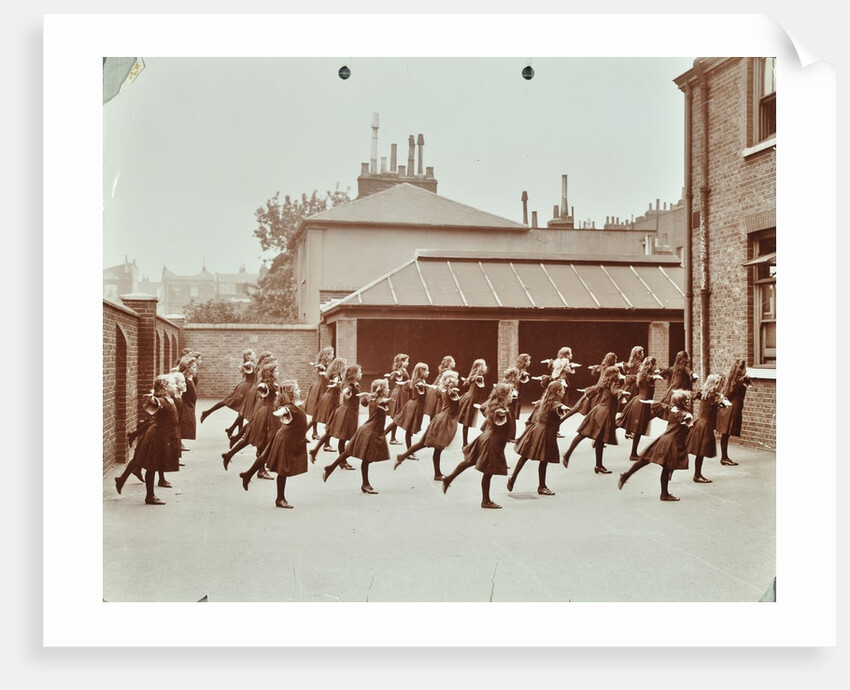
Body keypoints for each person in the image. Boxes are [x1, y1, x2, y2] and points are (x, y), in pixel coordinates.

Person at [442, 383, 513, 509]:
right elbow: (501, 422)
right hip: (492, 442)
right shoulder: (501, 411)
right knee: (488, 471)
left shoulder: (493, 405)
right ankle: (485, 500)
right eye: (510, 394)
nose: (512, 395)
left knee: (470, 461)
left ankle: (449, 478)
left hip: (485, 438)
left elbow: (484, 407)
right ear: (503, 397)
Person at [115, 374, 180, 505]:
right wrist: (152, 399)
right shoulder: (162, 400)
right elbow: (155, 402)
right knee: (152, 465)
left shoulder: (170, 399)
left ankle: (122, 480)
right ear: (164, 387)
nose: (175, 386)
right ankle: (150, 496)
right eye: (172, 384)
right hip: (157, 437)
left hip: (164, 436)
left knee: (145, 460)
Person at [618, 390, 694, 501]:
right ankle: (664, 494)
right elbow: (687, 420)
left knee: (645, 459)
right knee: (666, 468)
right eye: (686, 400)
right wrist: (689, 419)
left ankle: (626, 474)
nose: (688, 401)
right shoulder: (682, 413)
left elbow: (663, 406)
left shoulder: (672, 409)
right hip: (672, 442)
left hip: (663, 439)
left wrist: (651, 402)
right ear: (681, 402)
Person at [240, 381, 308, 507]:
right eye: (297, 389)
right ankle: (280, 499)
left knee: (265, 455)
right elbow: (283, 411)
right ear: (290, 393)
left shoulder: (294, 405)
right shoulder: (289, 407)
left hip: (286, 436)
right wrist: (282, 411)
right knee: (283, 469)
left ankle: (247, 474)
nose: (299, 391)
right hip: (286, 439)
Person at [322, 379, 392, 494]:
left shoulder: (373, 398)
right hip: (370, 432)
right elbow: (382, 402)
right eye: (387, 387)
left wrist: (371, 395)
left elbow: (365, 402)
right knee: (365, 458)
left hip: (368, 429)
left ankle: (330, 467)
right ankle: (365, 484)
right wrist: (380, 397)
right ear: (380, 389)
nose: (389, 389)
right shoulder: (379, 401)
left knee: (349, 451)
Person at [561, 365, 630, 474]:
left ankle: (598, 465)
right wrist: (622, 393)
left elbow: (594, 390)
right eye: (617, 373)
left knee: (594, 437)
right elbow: (614, 391)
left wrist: (587, 392)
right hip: (604, 413)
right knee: (589, 436)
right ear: (614, 375)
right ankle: (569, 454)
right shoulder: (613, 384)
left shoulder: (604, 383)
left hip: (599, 411)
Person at [394, 370, 461, 480]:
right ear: (451, 381)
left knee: (425, 444)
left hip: (441, 419)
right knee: (435, 447)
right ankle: (437, 474)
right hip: (445, 421)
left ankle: (402, 457)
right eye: (456, 379)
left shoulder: (443, 390)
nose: (458, 380)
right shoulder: (450, 391)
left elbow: (439, 393)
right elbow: (451, 396)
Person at [508, 379, 570, 495]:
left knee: (525, 456)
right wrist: (563, 408)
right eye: (562, 390)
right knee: (544, 459)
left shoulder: (545, 400)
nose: (563, 392)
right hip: (545, 432)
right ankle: (542, 486)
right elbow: (557, 406)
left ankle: (513, 477)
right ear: (557, 392)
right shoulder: (554, 402)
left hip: (537, 430)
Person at [223, 362, 280, 476]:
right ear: (271, 374)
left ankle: (230, 454)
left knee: (255, 439)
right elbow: (263, 388)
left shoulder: (272, 384)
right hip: (267, 415)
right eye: (276, 371)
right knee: (262, 441)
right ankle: (260, 470)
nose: (278, 373)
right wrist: (263, 386)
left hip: (267, 413)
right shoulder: (267, 385)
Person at [309, 363, 362, 468]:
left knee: (332, 432)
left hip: (344, 411)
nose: (362, 374)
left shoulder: (352, 383)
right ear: (354, 374)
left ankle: (315, 451)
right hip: (347, 413)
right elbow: (347, 390)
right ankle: (342, 462)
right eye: (360, 372)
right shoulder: (350, 384)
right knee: (342, 437)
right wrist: (346, 392)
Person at [686, 373, 732, 483]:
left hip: (699, 423)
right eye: (720, 384)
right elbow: (721, 402)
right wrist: (723, 402)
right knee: (700, 452)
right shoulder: (713, 396)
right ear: (715, 384)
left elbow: (693, 396)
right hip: (705, 426)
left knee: (694, 451)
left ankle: (674, 471)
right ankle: (697, 475)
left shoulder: (704, 393)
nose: (721, 386)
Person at [199, 349, 257, 436]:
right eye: (254, 354)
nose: (255, 355)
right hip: (245, 387)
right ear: (248, 356)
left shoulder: (250, 364)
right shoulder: (248, 364)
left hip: (247, 387)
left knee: (241, 408)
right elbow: (251, 370)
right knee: (228, 402)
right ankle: (207, 412)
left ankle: (237, 431)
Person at [616, 356, 663, 460]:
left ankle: (633, 453)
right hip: (642, 404)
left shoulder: (641, 374)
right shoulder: (647, 376)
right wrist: (654, 377)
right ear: (651, 365)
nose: (656, 367)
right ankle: (633, 454)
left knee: (636, 428)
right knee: (637, 429)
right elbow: (650, 378)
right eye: (654, 365)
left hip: (639, 401)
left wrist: (655, 375)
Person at [383, 362, 430, 456]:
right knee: (407, 427)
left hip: (414, 405)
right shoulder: (418, 382)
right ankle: (409, 452)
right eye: (427, 370)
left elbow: (407, 388)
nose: (428, 372)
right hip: (414, 406)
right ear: (421, 372)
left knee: (397, 422)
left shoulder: (418, 381)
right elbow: (416, 389)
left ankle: (381, 436)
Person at [715, 358, 753, 466]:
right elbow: (729, 394)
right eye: (744, 367)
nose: (745, 369)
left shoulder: (736, 379)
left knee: (725, 434)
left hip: (732, 408)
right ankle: (724, 457)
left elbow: (749, 385)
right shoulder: (736, 381)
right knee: (726, 434)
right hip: (731, 409)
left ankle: (724, 457)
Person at [311, 356, 347, 448]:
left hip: (328, 397)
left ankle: (325, 444)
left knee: (330, 422)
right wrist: (336, 383)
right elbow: (335, 381)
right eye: (344, 365)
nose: (346, 366)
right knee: (331, 422)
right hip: (331, 399)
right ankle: (326, 445)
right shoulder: (336, 375)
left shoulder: (334, 373)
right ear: (340, 366)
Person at [304, 346, 335, 440]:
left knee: (317, 413)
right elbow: (325, 375)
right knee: (317, 412)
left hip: (320, 387)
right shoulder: (322, 365)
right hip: (320, 388)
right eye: (332, 354)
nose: (333, 356)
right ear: (327, 355)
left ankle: (314, 433)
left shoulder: (326, 364)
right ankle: (306, 433)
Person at [457, 358, 489, 446]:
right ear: (479, 367)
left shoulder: (474, 376)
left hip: (469, 397)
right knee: (466, 421)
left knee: (466, 422)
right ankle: (465, 443)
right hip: (471, 399)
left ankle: (465, 442)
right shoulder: (479, 377)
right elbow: (481, 386)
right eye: (484, 365)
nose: (486, 367)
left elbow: (465, 384)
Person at [659, 350, 699, 418]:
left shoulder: (675, 368)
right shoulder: (684, 368)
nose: (689, 357)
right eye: (688, 356)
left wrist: (660, 372)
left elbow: (667, 370)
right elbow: (689, 371)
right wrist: (693, 374)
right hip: (678, 393)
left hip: (670, 393)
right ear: (685, 358)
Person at [385, 353, 410, 445]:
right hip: (400, 393)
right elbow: (394, 377)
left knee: (397, 416)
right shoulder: (400, 371)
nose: (408, 363)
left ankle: (392, 437)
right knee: (398, 416)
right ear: (402, 362)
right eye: (406, 361)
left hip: (400, 392)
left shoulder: (403, 370)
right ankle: (388, 436)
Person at [423, 355, 455, 421]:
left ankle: (432, 427)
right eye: (453, 361)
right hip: (438, 392)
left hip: (434, 391)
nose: (455, 363)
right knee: (437, 411)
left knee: (434, 412)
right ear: (449, 363)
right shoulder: (448, 373)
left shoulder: (443, 371)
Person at [177, 355, 199, 451]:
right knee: (182, 423)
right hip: (184, 404)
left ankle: (179, 443)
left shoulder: (190, 378)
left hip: (189, 403)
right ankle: (178, 443)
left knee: (185, 423)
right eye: (193, 367)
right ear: (187, 368)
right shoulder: (183, 379)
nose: (196, 369)